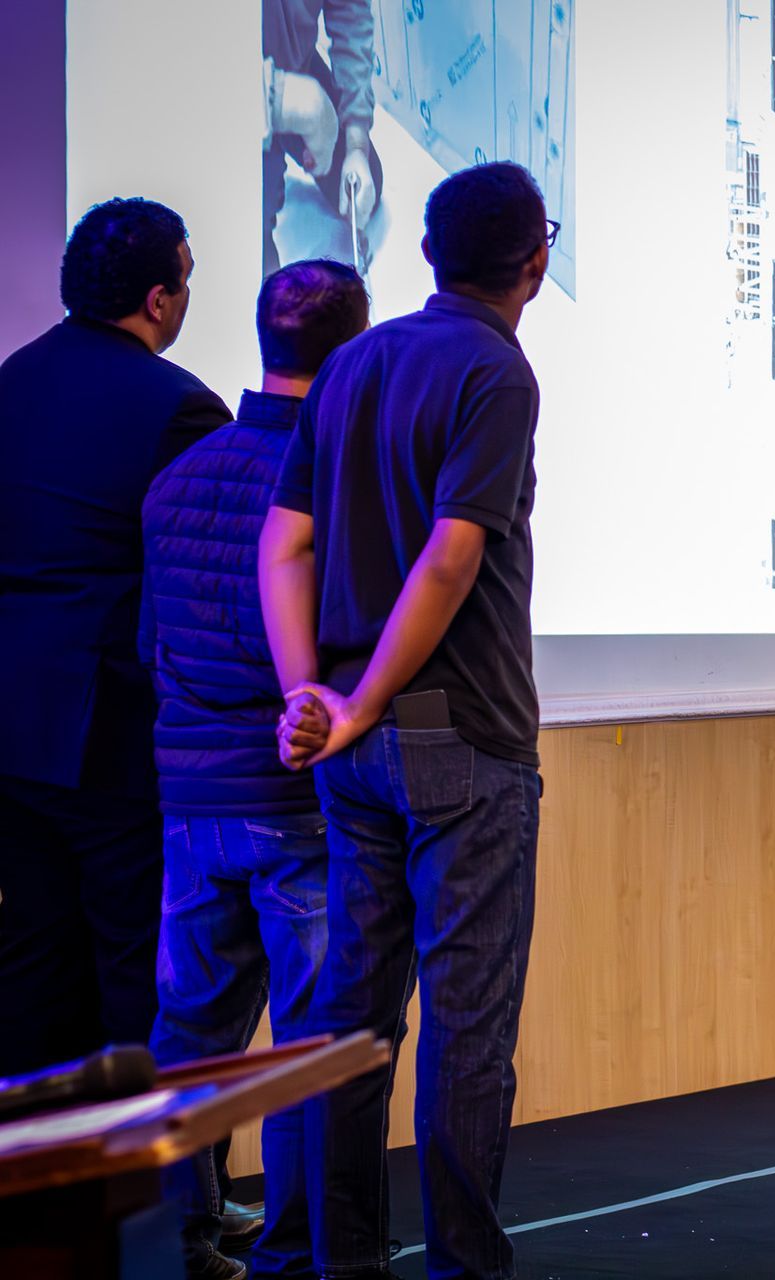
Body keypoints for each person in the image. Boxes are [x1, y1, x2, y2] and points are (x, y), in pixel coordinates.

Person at [261, 161, 548, 1280]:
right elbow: (451, 552)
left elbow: (282, 543)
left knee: (353, 1017)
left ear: (427, 253)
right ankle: (466, 1267)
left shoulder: (351, 362)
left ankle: (346, 1261)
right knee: (468, 1027)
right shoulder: (497, 369)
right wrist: (370, 694)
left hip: (351, 744)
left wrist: (315, 697)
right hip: (455, 729)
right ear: (536, 260)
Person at [144, 260, 369, 1279]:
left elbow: (155, 642)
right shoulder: (340, 486)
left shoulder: (176, 478)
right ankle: (299, 1245)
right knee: (309, 1039)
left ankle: (178, 1238)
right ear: (356, 351)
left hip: (191, 801)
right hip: (294, 800)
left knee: (189, 1030)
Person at [0, 198, 230, 1078]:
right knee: (138, 964)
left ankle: (37, 1188)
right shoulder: (178, 408)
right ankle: (157, 1208)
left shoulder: (13, 378)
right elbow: (204, 583)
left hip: (12, 725)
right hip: (105, 731)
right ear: (161, 298)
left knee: (29, 954)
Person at [263, 0, 383, 273]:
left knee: (367, 183)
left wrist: (356, 145)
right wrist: (279, 99)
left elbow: (349, 13)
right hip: (231, 97)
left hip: (295, 63)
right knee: (255, 252)